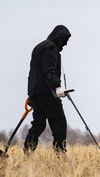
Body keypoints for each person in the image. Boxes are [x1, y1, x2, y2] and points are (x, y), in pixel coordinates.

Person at [24, 25, 71, 155]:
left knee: (38, 125)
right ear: (59, 37)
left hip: (36, 94)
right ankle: (60, 156)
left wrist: (31, 94)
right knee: (60, 124)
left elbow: (32, 73)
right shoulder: (51, 48)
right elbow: (48, 71)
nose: (66, 43)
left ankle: (27, 155)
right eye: (65, 39)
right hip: (47, 94)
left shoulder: (38, 47)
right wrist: (57, 86)